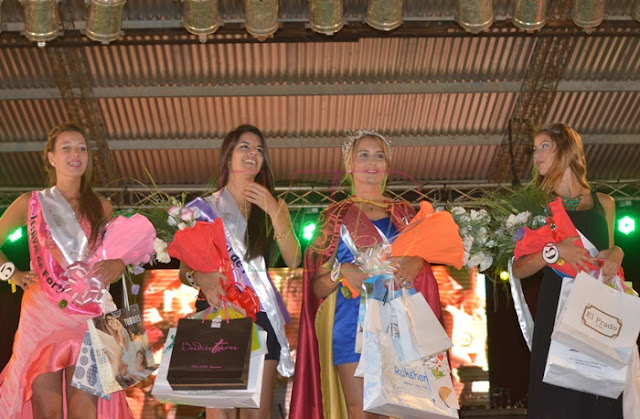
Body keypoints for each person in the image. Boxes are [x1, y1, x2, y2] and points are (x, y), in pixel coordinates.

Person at [290, 129, 444, 419]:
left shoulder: (405, 213)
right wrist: (340, 271)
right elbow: (317, 287)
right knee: (360, 410)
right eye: (364, 155)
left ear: (387, 165)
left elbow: (422, 272)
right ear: (349, 164)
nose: (372, 162)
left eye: (379, 155)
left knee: (396, 409)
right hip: (351, 324)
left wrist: (418, 262)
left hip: (399, 323)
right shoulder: (333, 217)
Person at [0, 123, 133, 418]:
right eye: (67, 148)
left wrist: (119, 263)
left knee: (84, 408)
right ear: (51, 157)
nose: (76, 154)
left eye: (82, 148)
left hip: (88, 314)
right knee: (46, 409)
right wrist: (11, 273)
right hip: (42, 315)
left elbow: (113, 255)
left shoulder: (101, 207)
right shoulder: (31, 203)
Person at [178, 124, 301, 419]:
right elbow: (184, 270)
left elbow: (294, 258)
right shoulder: (204, 208)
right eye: (244, 146)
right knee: (220, 412)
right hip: (216, 310)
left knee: (256, 414)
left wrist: (273, 210)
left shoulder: (274, 206)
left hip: (261, 313)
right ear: (228, 155)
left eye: (259, 150)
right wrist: (200, 277)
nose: (252, 153)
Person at [511, 123, 624, 418]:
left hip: (598, 310)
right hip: (557, 309)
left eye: (544, 146)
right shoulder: (538, 208)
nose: (536, 154)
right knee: (558, 400)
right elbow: (519, 269)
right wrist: (555, 251)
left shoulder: (604, 203)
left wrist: (618, 253)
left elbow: (609, 249)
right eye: (534, 149)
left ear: (566, 149)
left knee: (599, 396)